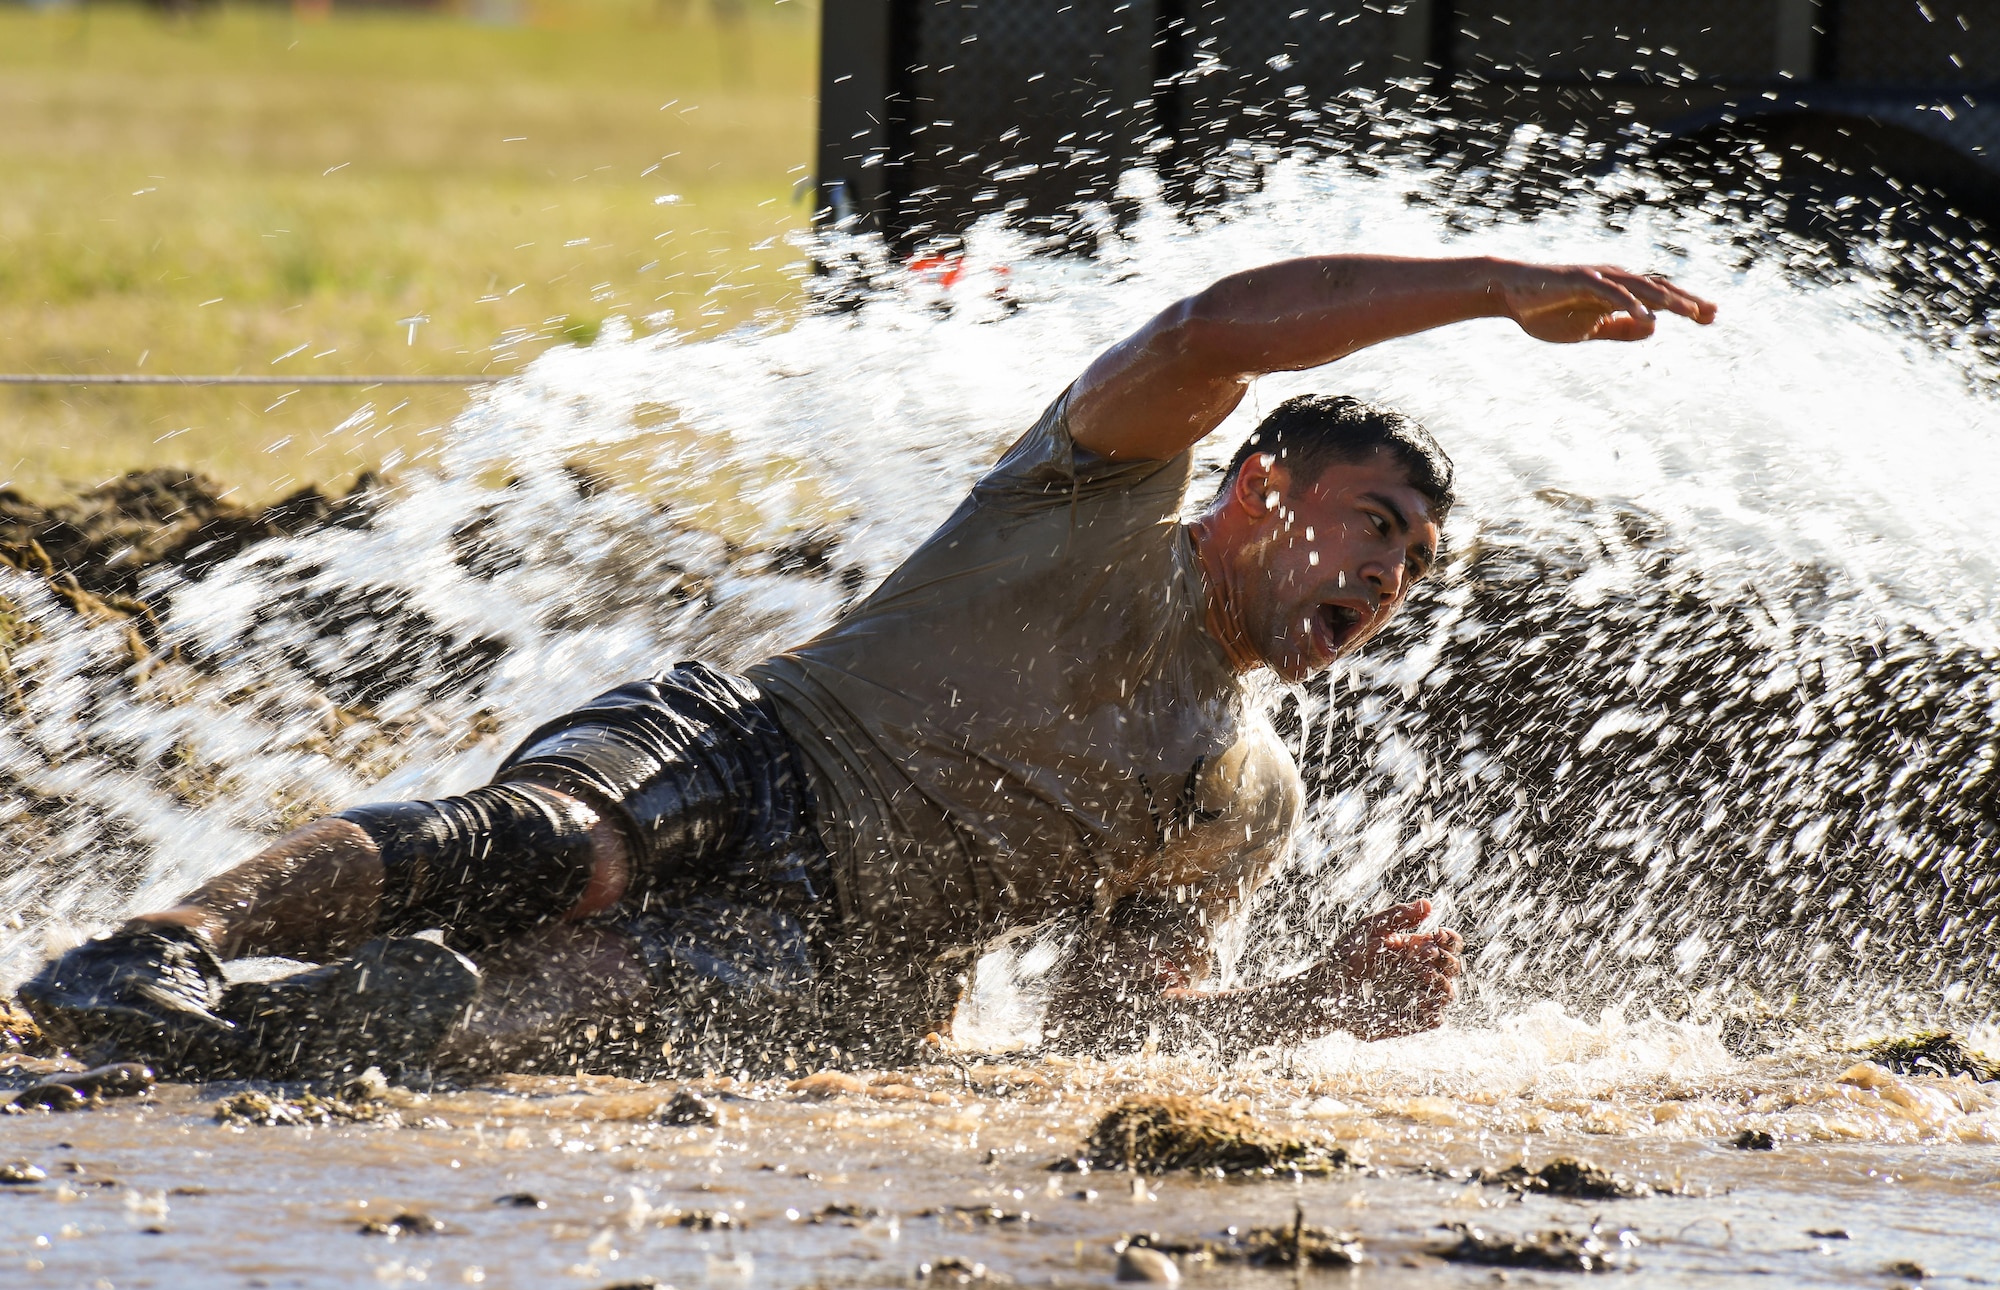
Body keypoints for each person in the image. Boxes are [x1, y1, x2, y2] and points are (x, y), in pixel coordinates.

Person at [20, 253, 1715, 1080]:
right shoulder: (1100, 492)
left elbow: (1115, 1029)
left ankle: (295, 1040)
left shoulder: (1243, 790)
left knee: (565, 1016)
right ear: (1262, 489)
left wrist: (1316, 1010)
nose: (1384, 578)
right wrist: (1497, 289)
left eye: (1414, 565)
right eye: (1372, 525)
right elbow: (1209, 335)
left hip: (852, 942)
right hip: (753, 746)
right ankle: (150, 951)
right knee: (565, 849)